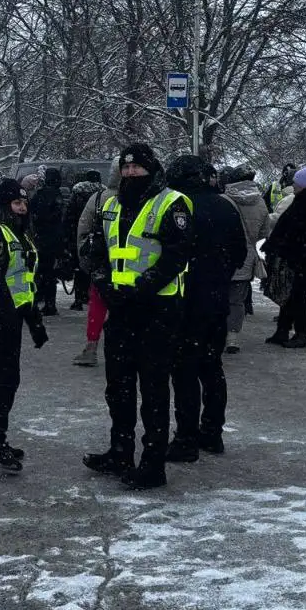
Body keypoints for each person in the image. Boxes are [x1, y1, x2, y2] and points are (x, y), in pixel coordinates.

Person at [83, 143, 193, 490]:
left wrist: (142, 288)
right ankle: (120, 451)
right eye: (126, 168)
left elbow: (177, 255)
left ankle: (152, 463)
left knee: (154, 388)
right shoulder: (112, 204)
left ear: (151, 168)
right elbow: (98, 248)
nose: (130, 173)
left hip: (157, 308)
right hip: (121, 308)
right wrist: (102, 282)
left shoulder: (172, 202)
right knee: (118, 386)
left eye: (137, 168)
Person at [165, 155, 247, 463]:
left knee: (184, 370)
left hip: (184, 297)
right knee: (212, 367)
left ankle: (186, 436)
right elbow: (240, 251)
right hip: (215, 297)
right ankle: (212, 432)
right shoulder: (225, 206)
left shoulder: (177, 207)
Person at [0, 178, 49, 471]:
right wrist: (10, 320)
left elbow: (23, 284)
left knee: (8, 379)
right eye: (17, 203)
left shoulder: (19, 235)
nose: (22, 208)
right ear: (5, 206)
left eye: (24, 202)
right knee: (5, 379)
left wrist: (34, 322)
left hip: (12, 315)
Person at [262, 166, 306, 349]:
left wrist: (281, 245)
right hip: (300, 254)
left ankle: (301, 334)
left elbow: (296, 231)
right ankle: (283, 330)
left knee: (297, 295)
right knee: (290, 294)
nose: (293, 185)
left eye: (296, 182)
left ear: (304, 185)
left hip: (299, 256)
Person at [73, 159, 119, 367]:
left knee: (97, 305)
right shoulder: (146, 198)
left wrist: (84, 260)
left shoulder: (99, 198)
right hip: (135, 266)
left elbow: (83, 230)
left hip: (102, 263)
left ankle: (91, 348)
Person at [223, 168, 270, 354]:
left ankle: (217, 334)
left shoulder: (225, 199)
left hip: (224, 255)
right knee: (237, 301)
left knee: (219, 297)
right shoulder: (260, 202)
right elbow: (265, 232)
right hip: (246, 256)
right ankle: (233, 337)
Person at [28, 167, 68, 316]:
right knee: (50, 273)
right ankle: (50, 303)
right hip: (55, 238)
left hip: (41, 237)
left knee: (41, 271)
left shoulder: (41, 195)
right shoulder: (59, 195)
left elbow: (33, 212)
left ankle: (41, 299)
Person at [65, 171, 105, 311]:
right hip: (99, 236)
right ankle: (94, 296)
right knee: (98, 267)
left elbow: (69, 215)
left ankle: (79, 298)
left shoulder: (77, 193)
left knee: (80, 266)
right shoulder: (103, 195)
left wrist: (70, 235)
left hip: (79, 233)